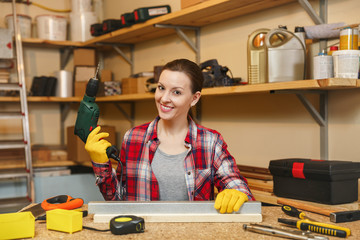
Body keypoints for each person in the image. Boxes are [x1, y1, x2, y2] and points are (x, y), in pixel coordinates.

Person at [85, 58, 255, 214]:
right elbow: (117, 200)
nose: (164, 98)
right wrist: (101, 165)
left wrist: (237, 192)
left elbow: (235, 183)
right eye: (161, 88)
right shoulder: (133, 138)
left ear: (194, 98)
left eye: (176, 92)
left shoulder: (210, 142)